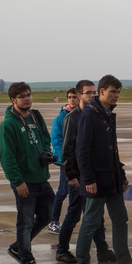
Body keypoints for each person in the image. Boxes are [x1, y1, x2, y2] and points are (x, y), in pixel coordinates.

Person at [73, 74, 132, 264]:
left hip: (112, 180)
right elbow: (82, 151)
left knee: (120, 218)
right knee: (91, 222)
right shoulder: (89, 115)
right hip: (96, 181)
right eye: (113, 92)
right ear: (101, 91)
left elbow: (112, 151)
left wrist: (121, 175)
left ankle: (124, 261)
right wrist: (88, 180)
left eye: (118, 93)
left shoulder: (107, 114)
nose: (116, 96)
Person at [0, 82, 56, 264]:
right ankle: (27, 261)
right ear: (13, 100)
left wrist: (46, 152)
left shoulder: (35, 116)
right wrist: (17, 181)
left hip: (41, 177)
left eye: (29, 95)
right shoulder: (8, 125)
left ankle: (18, 248)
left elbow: (46, 138)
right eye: (22, 96)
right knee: (24, 222)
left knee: (48, 215)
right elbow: (7, 157)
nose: (27, 99)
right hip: (24, 181)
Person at [56, 80, 113, 264]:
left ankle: (103, 250)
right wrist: (71, 176)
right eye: (88, 93)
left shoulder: (95, 114)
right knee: (74, 214)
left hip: (92, 174)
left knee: (96, 215)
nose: (92, 96)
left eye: (94, 93)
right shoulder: (72, 118)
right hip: (79, 177)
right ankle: (62, 250)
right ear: (79, 95)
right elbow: (68, 150)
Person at [47, 87, 79, 234]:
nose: (72, 100)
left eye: (74, 97)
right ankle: (53, 221)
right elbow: (56, 140)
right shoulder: (61, 118)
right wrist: (63, 159)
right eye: (70, 97)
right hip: (67, 162)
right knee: (63, 191)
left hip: (80, 161)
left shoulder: (83, 115)